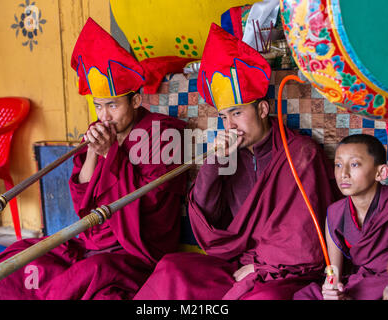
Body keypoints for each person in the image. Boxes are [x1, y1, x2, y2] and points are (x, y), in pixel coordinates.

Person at [0, 17, 187, 300]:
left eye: (112, 105)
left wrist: (112, 154)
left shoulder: (161, 133)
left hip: (132, 249)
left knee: (87, 276)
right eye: (99, 106)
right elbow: (82, 199)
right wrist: (95, 154)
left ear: (134, 102)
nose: (104, 116)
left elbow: (153, 202)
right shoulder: (99, 131)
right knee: (24, 259)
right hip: (89, 240)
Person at [133, 23, 340, 300]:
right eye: (224, 117)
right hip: (239, 263)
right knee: (173, 269)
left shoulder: (299, 153)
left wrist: (259, 266)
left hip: (287, 270)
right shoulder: (232, 155)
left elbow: (302, 239)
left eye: (237, 113)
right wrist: (214, 164)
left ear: (263, 109)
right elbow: (208, 222)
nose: (230, 125)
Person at [293, 134, 388, 300]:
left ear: (380, 172)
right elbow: (333, 269)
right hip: (359, 283)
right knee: (305, 295)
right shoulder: (335, 213)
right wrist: (331, 288)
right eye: (338, 164)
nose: (343, 173)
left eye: (354, 164)